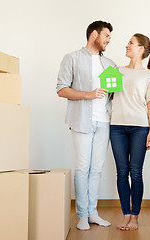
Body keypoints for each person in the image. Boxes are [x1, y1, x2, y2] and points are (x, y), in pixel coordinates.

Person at [56, 20, 115, 231]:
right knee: (83, 168)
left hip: (104, 122)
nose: (109, 40)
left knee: (96, 169)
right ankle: (81, 215)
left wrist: (148, 75)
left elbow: (116, 94)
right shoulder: (72, 58)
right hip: (81, 121)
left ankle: (93, 213)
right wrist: (88, 95)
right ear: (94, 35)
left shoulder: (110, 64)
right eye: (106, 35)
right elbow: (62, 89)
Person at [109, 33, 150, 231]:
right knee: (122, 173)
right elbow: (107, 94)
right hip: (117, 127)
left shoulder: (148, 75)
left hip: (140, 128)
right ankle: (126, 214)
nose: (126, 45)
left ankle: (135, 216)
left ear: (141, 49)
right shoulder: (116, 70)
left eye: (131, 43)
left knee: (136, 173)